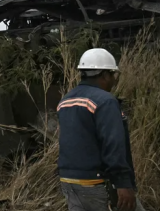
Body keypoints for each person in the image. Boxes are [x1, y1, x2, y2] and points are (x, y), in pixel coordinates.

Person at [58, 48, 144, 211]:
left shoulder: (65, 101)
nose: (113, 80)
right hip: (96, 182)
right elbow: (113, 144)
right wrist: (123, 183)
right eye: (113, 75)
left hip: (69, 180)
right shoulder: (105, 101)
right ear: (104, 75)